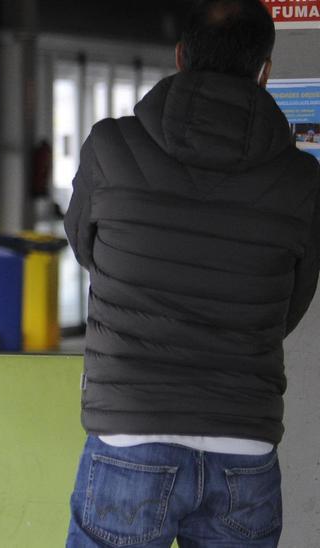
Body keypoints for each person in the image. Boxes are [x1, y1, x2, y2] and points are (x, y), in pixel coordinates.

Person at [63, 1, 320, 545]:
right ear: (265, 68)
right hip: (243, 446)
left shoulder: (111, 148)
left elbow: (89, 250)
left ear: (180, 56)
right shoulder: (301, 179)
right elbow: (291, 303)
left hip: (131, 432)